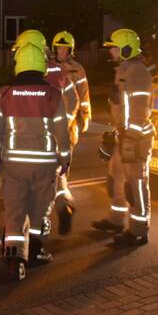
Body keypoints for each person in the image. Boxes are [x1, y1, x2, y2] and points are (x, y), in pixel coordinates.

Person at [0, 44, 70, 281]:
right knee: (40, 209)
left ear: (19, 65)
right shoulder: (53, 94)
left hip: (14, 164)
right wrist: (65, 158)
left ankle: (14, 256)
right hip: (44, 164)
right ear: (42, 66)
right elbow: (62, 131)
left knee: (15, 209)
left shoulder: (5, 93)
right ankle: (36, 251)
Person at [94, 29, 154, 245]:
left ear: (126, 49)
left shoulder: (137, 72)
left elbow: (139, 110)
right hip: (124, 135)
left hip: (135, 139)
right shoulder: (125, 69)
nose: (110, 50)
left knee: (135, 183)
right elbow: (124, 107)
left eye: (114, 47)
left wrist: (131, 139)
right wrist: (116, 131)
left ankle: (138, 230)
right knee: (116, 177)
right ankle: (117, 220)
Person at [51, 31, 91, 231]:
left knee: (58, 170)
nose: (62, 50)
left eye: (65, 48)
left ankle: (60, 206)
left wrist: (85, 115)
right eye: (59, 47)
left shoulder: (78, 70)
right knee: (56, 172)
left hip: (68, 126)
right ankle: (64, 204)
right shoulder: (48, 67)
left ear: (71, 50)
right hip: (51, 125)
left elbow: (83, 95)